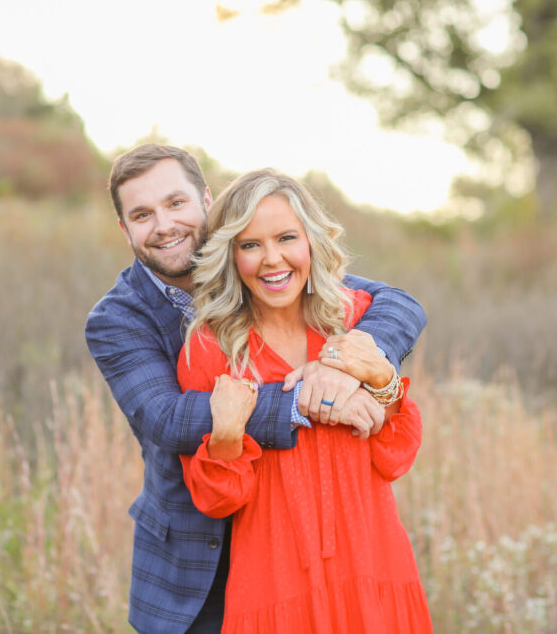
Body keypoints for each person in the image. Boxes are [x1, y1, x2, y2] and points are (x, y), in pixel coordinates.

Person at [84, 144, 426, 633]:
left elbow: (395, 302)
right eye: (142, 214)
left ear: (206, 199)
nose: (163, 225)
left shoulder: (275, 270)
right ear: (125, 229)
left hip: (347, 563)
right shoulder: (117, 319)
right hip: (196, 566)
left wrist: (356, 369)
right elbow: (166, 417)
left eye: (175, 203)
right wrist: (315, 399)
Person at [178, 169, 432, 632]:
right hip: (276, 591)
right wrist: (228, 435)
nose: (272, 259)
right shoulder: (211, 349)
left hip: (374, 574)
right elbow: (219, 501)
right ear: (230, 256)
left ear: (311, 241)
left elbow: (396, 456)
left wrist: (379, 377)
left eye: (286, 237)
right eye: (250, 244)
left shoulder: (354, 319)